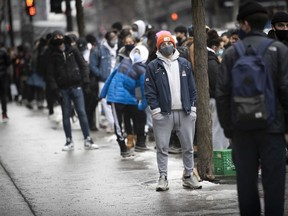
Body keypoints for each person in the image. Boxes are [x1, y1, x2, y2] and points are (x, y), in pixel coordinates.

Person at [215, 2, 288, 215]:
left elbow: (222, 94)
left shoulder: (230, 53)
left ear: (244, 24)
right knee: (275, 186)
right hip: (272, 128)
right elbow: (285, 90)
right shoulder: (279, 50)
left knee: (246, 186)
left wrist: (230, 129)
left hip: (242, 130)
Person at [145, 32, 201, 192]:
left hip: (185, 113)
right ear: (158, 47)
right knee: (162, 147)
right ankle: (163, 177)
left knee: (188, 147)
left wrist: (193, 108)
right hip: (163, 114)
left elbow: (192, 87)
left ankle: (189, 176)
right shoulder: (153, 66)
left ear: (174, 45)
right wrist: (155, 110)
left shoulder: (184, 63)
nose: (166, 46)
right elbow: (149, 90)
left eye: (169, 43)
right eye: (162, 44)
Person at [46, 30, 99, 151]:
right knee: (66, 114)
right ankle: (69, 141)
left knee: (81, 112)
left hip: (77, 86)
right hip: (62, 88)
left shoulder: (72, 50)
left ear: (63, 37)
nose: (58, 38)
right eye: (55, 37)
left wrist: (85, 81)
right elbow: (50, 74)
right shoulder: (51, 54)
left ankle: (87, 139)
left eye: (60, 36)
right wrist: (55, 89)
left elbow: (83, 65)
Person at [100, 44, 148, 157]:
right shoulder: (141, 69)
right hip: (125, 98)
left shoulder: (124, 63)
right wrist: (143, 105)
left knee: (119, 124)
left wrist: (103, 94)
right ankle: (129, 145)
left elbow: (110, 78)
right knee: (125, 121)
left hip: (117, 97)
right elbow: (144, 89)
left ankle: (124, 147)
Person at [90, 31, 118, 133]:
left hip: (116, 79)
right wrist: (100, 74)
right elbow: (92, 65)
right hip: (104, 79)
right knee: (105, 102)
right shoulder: (99, 50)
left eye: (115, 37)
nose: (114, 40)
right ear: (107, 39)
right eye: (112, 38)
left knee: (116, 101)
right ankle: (112, 124)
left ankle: (116, 123)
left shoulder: (118, 49)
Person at [0, 42, 11, 122]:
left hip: (3, 76)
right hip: (2, 77)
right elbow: (8, 63)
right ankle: (4, 113)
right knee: (3, 95)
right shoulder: (4, 53)